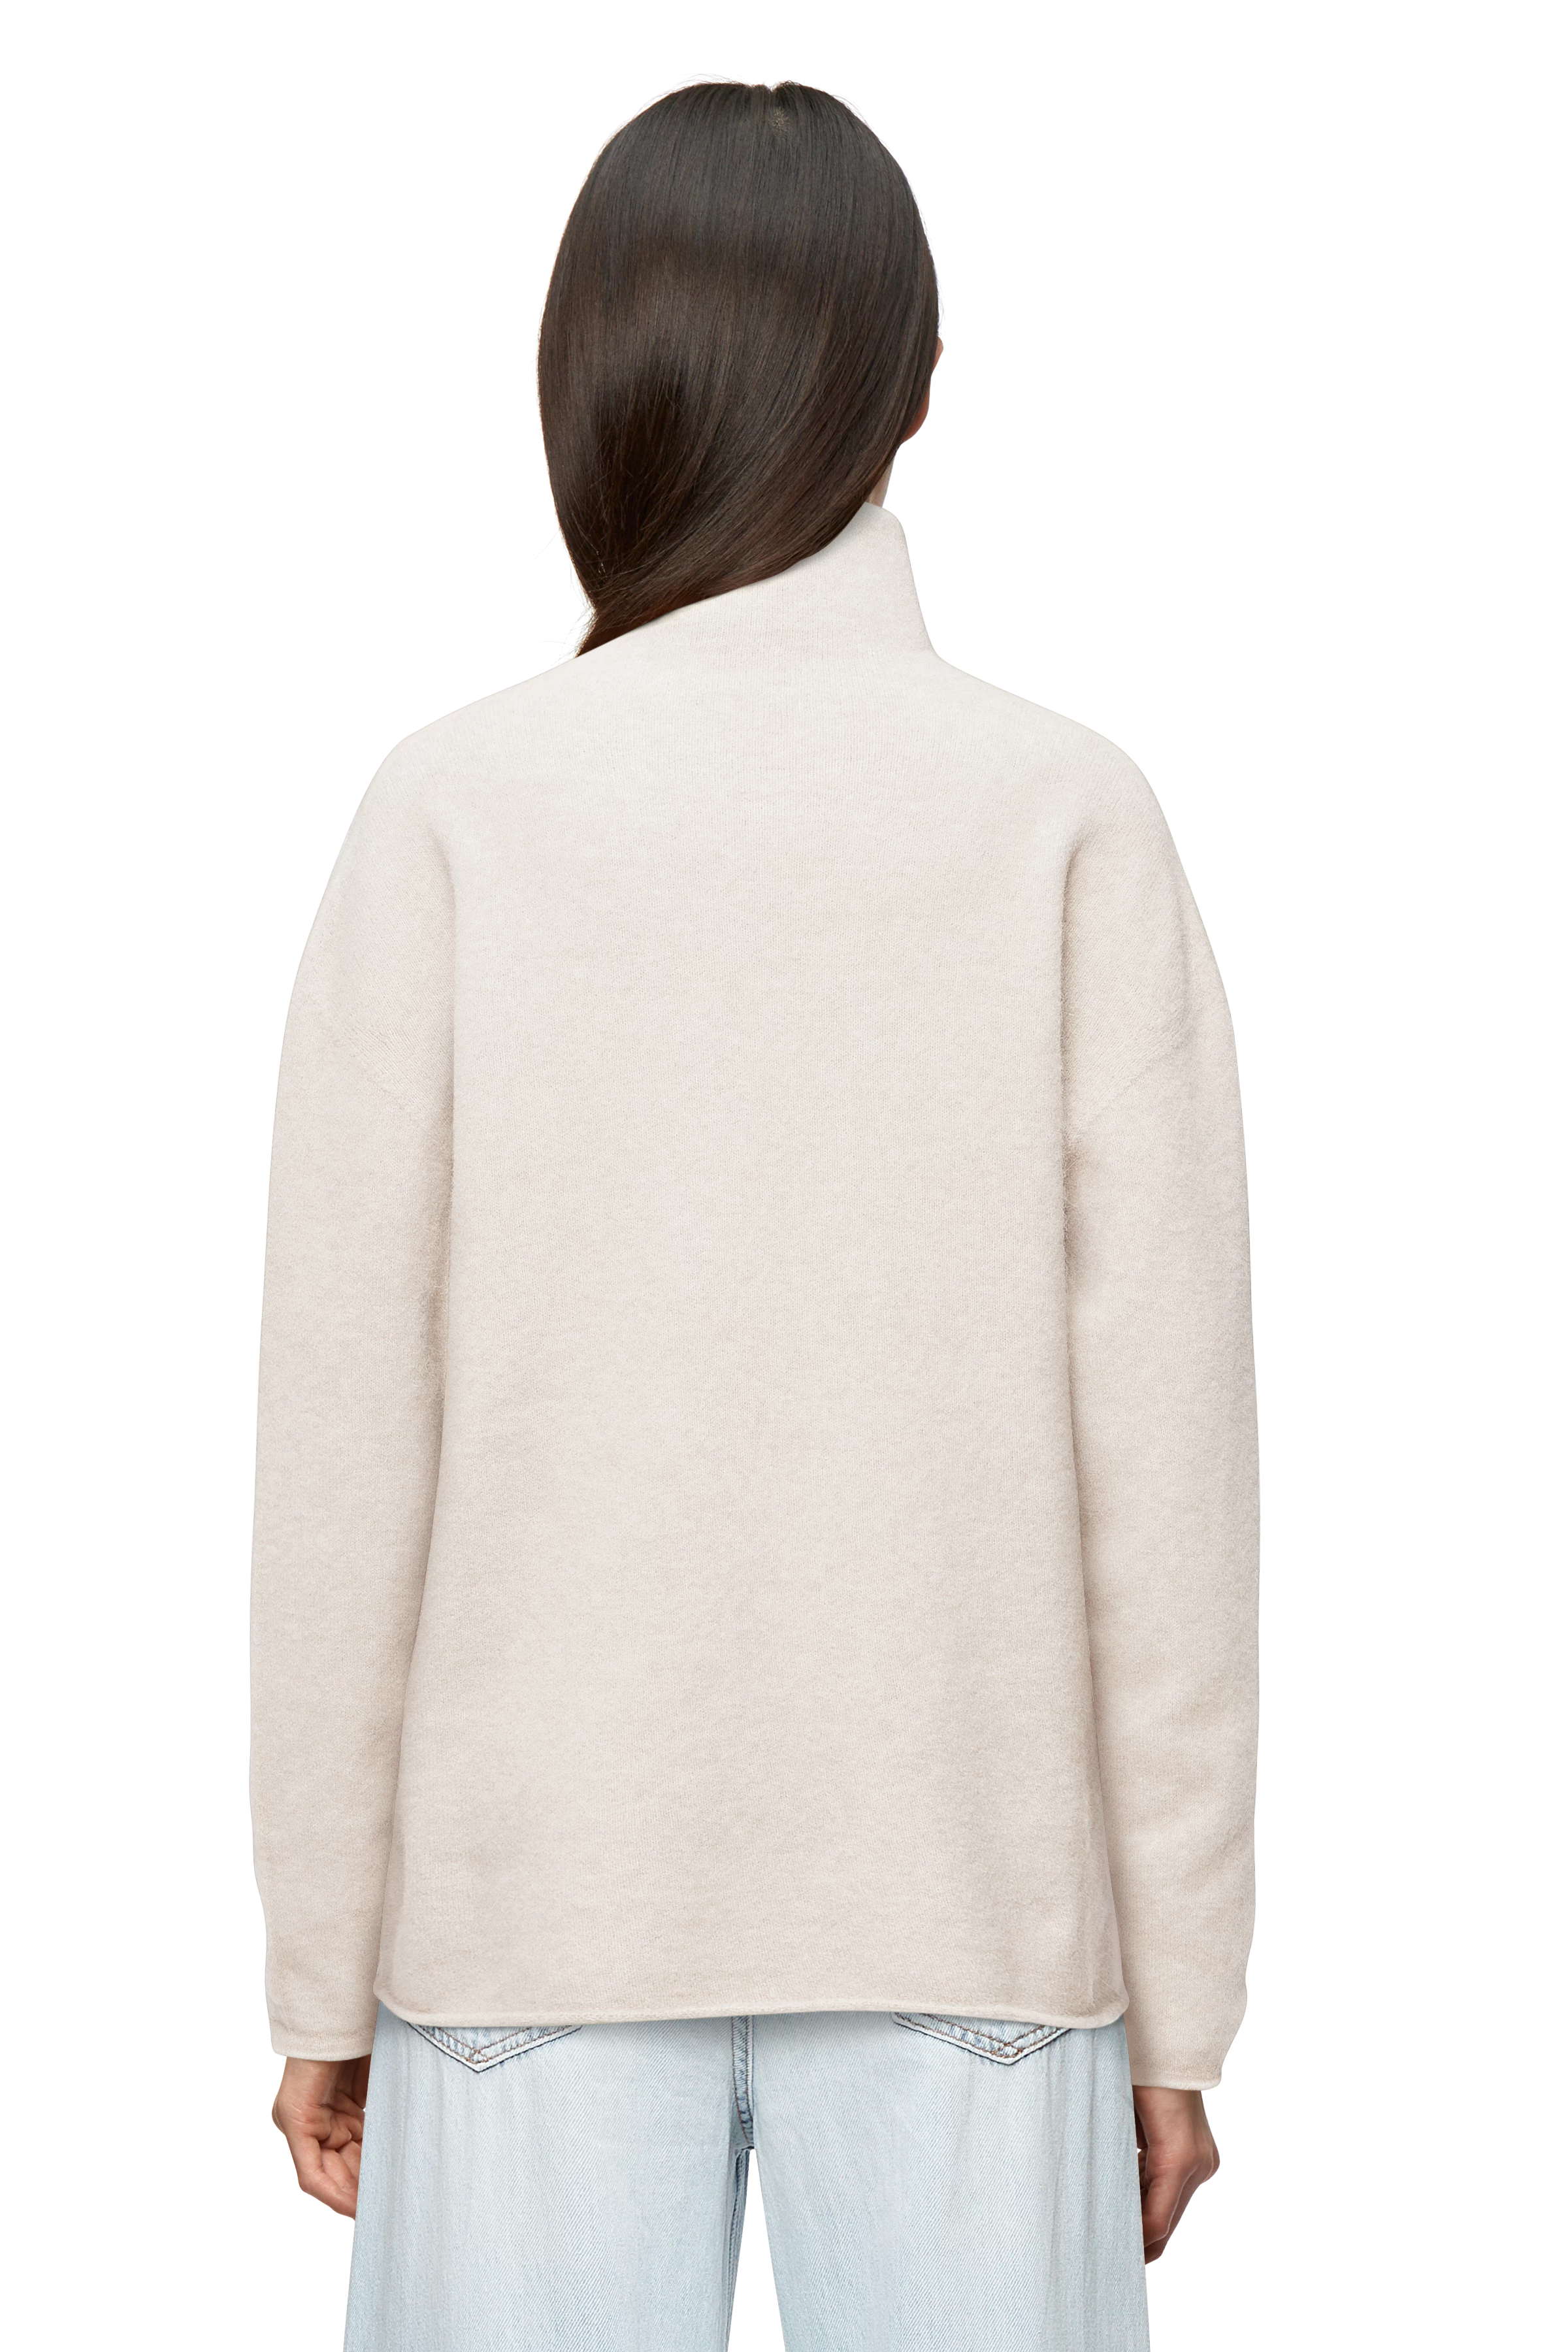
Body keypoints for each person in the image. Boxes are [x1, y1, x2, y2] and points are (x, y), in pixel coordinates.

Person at [251, 69, 1260, 2351]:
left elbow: (344, 1456)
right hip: (971, 1899)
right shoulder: (1064, 822)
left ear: (578, 381)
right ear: (906, 381)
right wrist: (1183, 2001)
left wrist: (320, 1961)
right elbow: (1171, 1479)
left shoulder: (450, 817)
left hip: (528, 1906)